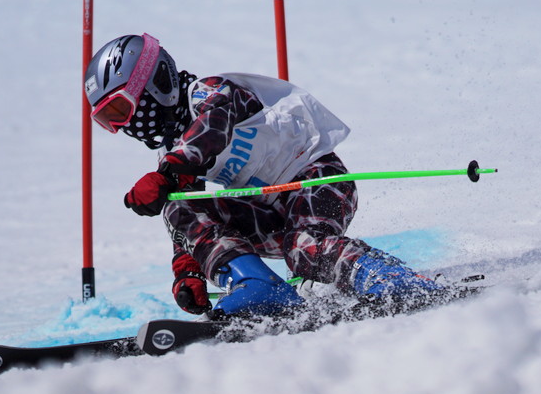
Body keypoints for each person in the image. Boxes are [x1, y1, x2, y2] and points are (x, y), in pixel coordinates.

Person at [84, 33, 445, 318]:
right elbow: (189, 219)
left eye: (122, 108)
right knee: (179, 206)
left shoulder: (210, 92)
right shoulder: (174, 153)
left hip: (316, 179)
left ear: (156, 82)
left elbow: (213, 128)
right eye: (109, 121)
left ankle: (392, 281)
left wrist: (167, 174)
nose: (126, 125)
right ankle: (257, 287)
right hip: (269, 212)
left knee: (304, 249)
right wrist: (188, 270)